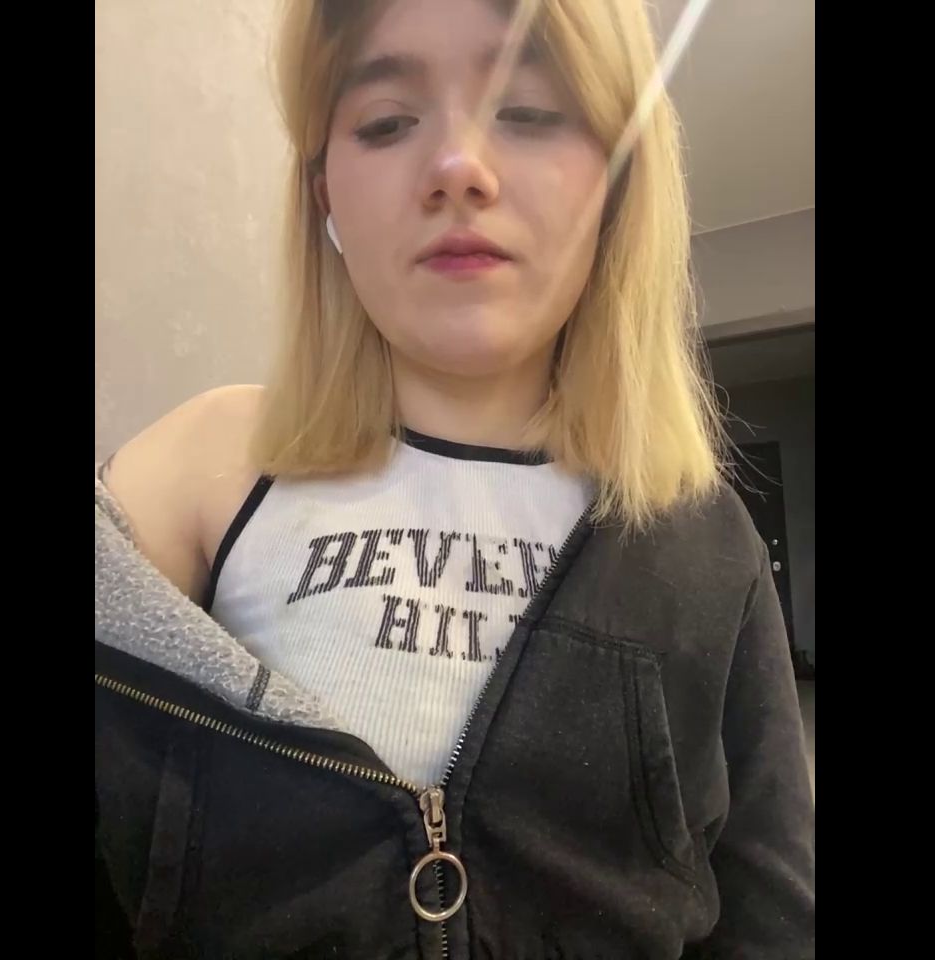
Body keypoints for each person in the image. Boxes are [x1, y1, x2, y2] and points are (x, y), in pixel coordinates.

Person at [95, 0, 815, 956]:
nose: (457, 167)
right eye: (387, 122)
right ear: (324, 192)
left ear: (618, 180)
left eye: (529, 111)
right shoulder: (212, 458)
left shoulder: (703, 536)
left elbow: (773, 923)